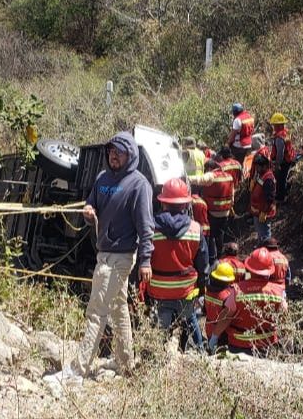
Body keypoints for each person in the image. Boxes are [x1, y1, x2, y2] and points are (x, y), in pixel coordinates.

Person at [62, 132, 154, 380]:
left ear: (130, 155)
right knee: (117, 308)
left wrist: (145, 260)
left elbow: (147, 228)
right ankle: (125, 363)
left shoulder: (139, 185)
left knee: (96, 310)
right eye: (111, 151)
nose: (113, 155)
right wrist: (89, 211)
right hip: (103, 252)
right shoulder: (102, 178)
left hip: (121, 256)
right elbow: (91, 204)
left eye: (119, 152)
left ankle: (77, 370)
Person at [146, 178, 208, 352]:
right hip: (185, 290)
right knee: (190, 319)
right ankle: (201, 351)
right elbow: (203, 265)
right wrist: (201, 289)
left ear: (163, 203)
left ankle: (154, 357)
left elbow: (143, 259)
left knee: (158, 331)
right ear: (184, 204)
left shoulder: (150, 227)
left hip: (158, 291)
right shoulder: (196, 229)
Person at [223, 247, 287, 355]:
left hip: (238, 344)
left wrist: (215, 336)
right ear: (269, 270)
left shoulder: (237, 290)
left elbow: (226, 317)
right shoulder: (279, 291)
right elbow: (284, 318)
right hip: (266, 345)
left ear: (249, 268)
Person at [201, 260, 239, 353]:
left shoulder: (207, 290)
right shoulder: (227, 295)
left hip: (209, 328)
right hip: (221, 332)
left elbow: (204, 311)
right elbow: (227, 318)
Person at [267, 112, 298, 199]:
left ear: (279, 125)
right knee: (283, 178)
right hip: (289, 158)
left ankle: (281, 198)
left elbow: (280, 153)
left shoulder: (279, 138)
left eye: (275, 125)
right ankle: (283, 195)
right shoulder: (286, 133)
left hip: (284, 161)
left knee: (281, 180)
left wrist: (277, 164)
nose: (273, 127)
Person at [249, 148, 278, 241]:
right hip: (258, 211)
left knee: (265, 234)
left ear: (265, 166)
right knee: (260, 233)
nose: (257, 169)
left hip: (263, 213)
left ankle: (267, 251)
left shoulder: (268, 178)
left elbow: (270, 198)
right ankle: (261, 247)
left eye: (259, 167)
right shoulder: (261, 174)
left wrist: (265, 211)